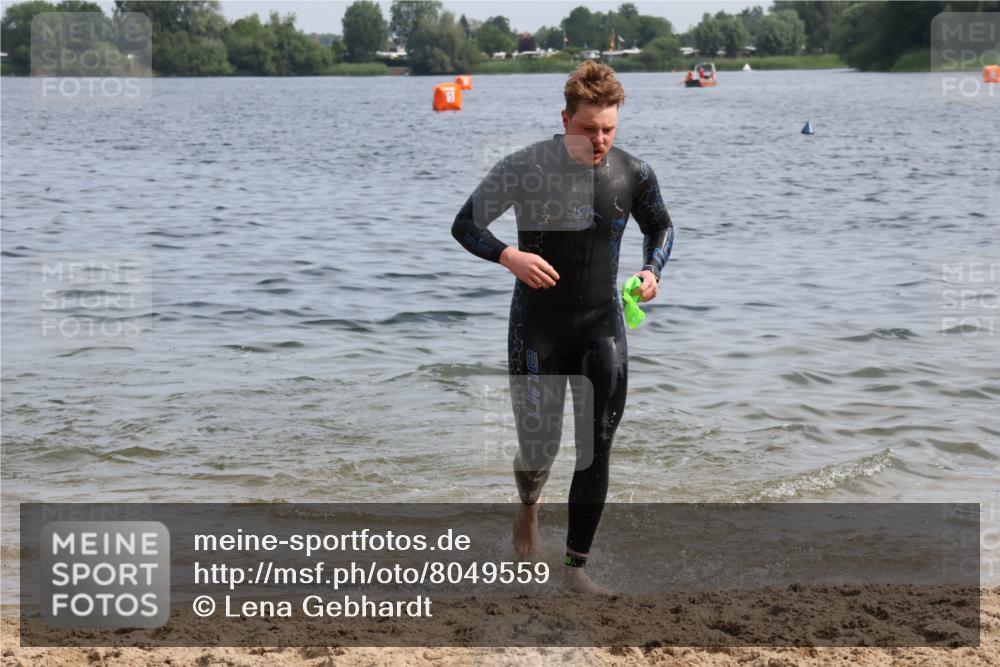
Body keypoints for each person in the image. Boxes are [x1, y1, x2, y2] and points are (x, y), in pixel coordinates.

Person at [450, 61, 674, 595]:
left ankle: (576, 571)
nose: (599, 140)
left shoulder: (633, 173)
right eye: (588, 127)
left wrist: (651, 270)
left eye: (608, 129)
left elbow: (661, 225)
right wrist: (510, 256)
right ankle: (529, 506)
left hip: (602, 326)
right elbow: (466, 223)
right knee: (539, 448)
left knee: (597, 443)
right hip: (538, 329)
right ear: (565, 118)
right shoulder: (526, 167)